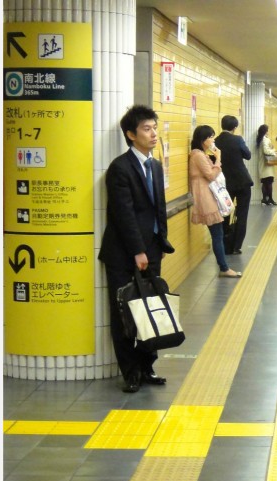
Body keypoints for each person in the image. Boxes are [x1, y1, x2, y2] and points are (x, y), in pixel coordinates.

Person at [98, 105, 175, 393]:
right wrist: (138, 251)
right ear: (131, 134)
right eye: (146, 128)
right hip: (123, 254)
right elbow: (123, 214)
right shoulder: (120, 168)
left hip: (152, 250)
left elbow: (159, 207)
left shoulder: (154, 164)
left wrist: (162, 242)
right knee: (124, 312)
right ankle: (130, 371)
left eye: (154, 127)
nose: (153, 133)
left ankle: (147, 365)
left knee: (150, 307)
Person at [189, 125, 241, 279]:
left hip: (208, 195)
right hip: (206, 197)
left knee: (217, 233)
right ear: (202, 140)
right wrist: (218, 158)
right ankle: (224, 268)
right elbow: (211, 175)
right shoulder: (198, 155)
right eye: (210, 137)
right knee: (217, 234)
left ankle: (224, 266)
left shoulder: (200, 154)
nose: (213, 139)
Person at [213, 115, 253, 255]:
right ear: (235, 127)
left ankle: (225, 245)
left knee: (224, 213)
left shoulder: (215, 142)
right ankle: (236, 246)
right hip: (242, 182)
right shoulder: (238, 139)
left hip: (224, 184)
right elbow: (248, 155)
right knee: (242, 214)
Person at [255, 124, 277, 205]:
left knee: (265, 182)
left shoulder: (260, 139)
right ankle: (270, 199)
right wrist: (274, 152)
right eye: (267, 130)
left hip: (262, 164)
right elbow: (266, 151)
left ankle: (264, 198)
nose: (268, 132)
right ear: (265, 131)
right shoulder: (265, 139)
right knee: (269, 182)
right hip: (267, 164)